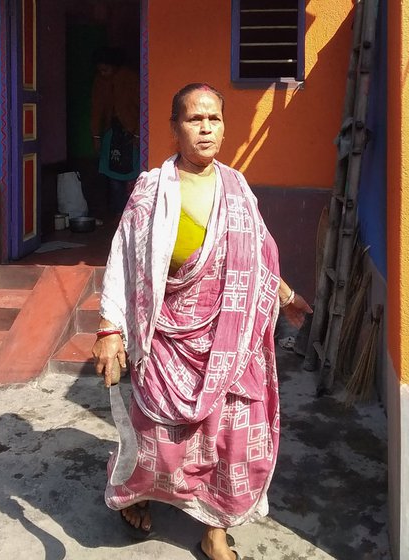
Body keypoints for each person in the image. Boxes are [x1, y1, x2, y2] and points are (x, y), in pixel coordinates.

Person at [92, 83, 312, 560]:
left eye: (214, 119)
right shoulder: (152, 189)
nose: (206, 128)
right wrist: (110, 329)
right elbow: (123, 260)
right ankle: (137, 492)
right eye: (195, 119)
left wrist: (286, 293)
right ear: (175, 128)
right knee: (161, 444)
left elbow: (255, 258)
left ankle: (214, 529)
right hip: (169, 338)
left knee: (232, 441)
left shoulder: (237, 187)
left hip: (231, 344)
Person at [90, 47, 141, 219]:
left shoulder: (131, 78)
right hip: (111, 133)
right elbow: (97, 109)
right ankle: (118, 215)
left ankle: (133, 216)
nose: (103, 73)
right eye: (100, 70)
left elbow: (141, 106)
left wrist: (137, 134)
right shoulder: (100, 81)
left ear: (115, 66)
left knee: (133, 175)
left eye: (106, 69)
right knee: (113, 177)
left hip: (131, 133)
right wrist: (96, 136)